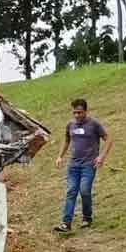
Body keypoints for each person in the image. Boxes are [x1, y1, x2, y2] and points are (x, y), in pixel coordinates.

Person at [54, 98, 113, 232]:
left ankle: (87, 217)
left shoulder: (94, 125)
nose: (77, 115)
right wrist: (60, 156)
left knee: (85, 191)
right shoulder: (70, 125)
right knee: (71, 191)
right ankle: (66, 223)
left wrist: (101, 157)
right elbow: (66, 140)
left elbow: (109, 139)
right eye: (74, 113)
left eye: (79, 112)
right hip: (73, 165)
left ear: (85, 111)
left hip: (89, 164)